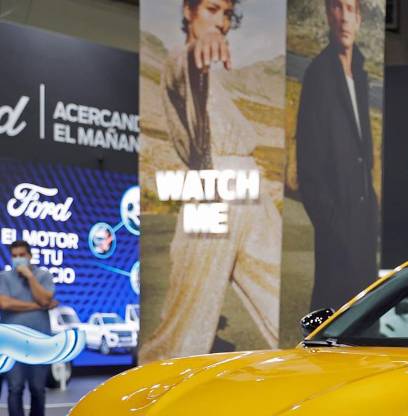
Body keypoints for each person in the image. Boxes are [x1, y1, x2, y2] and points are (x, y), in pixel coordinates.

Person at [141, 0, 280, 361]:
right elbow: (181, 67)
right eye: (212, 9)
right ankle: (151, 390)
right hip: (210, 188)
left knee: (281, 300)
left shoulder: (213, 78)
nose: (221, 23)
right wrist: (194, 49)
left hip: (249, 190)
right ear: (188, 11)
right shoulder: (178, 59)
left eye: (227, 15)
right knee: (183, 327)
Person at [296, 0, 379, 312]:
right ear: (328, 15)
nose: (343, 17)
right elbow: (308, 166)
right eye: (336, 8)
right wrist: (333, 226)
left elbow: (362, 150)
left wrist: (371, 210)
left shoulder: (361, 74)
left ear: (358, 18)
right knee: (330, 314)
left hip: (363, 222)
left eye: (349, 9)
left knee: (363, 317)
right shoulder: (318, 75)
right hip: (337, 225)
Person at [0, 240, 56, 416]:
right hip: (12, 344)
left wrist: (30, 277)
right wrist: (38, 305)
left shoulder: (44, 276)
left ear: (30, 256)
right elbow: (5, 303)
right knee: (14, 388)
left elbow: (45, 297)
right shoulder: (4, 277)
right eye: (14, 256)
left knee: (38, 389)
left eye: (21, 255)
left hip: (39, 343)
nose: (18, 259)